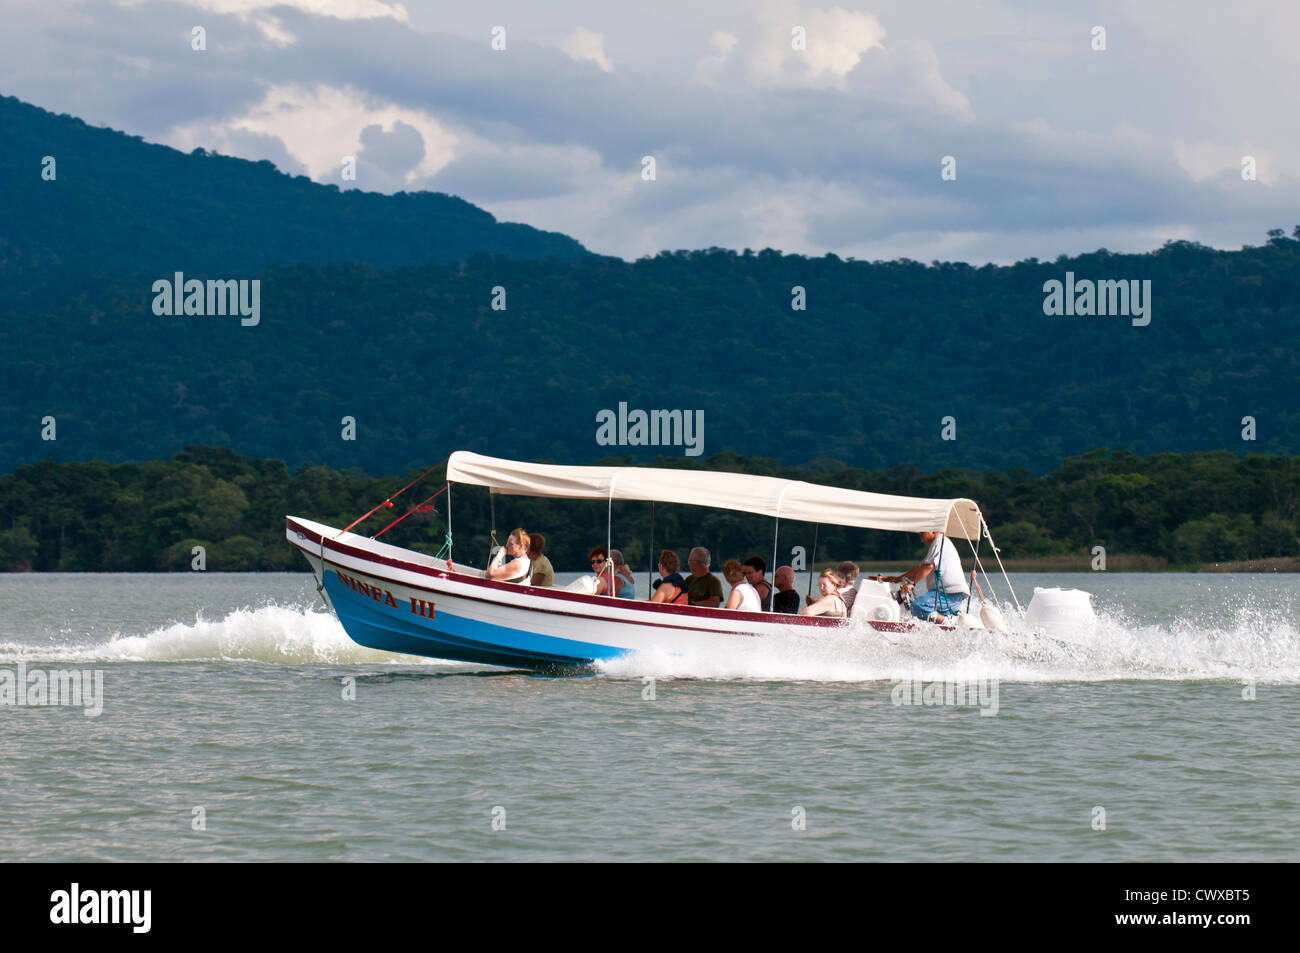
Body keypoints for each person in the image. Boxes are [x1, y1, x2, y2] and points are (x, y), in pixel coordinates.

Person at [882, 531, 970, 623]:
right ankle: (949, 621)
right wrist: (897, 579)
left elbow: (928, 567)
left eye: (921, 534)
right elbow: (920, 568)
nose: (921, 540)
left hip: (948, 594)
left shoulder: (939, 542)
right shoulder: (939, 543)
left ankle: (947, 620)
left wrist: (912, 584)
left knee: (917, 606)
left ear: (932, 531)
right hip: (951, 595)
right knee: (941, 624)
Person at [449, 527, 531, 583]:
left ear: (521, 546)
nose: (506, 545)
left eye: (511, 544)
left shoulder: (518, 564)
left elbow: (490, 575)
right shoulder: (526, 561)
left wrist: (499, 555)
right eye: (507, 542)